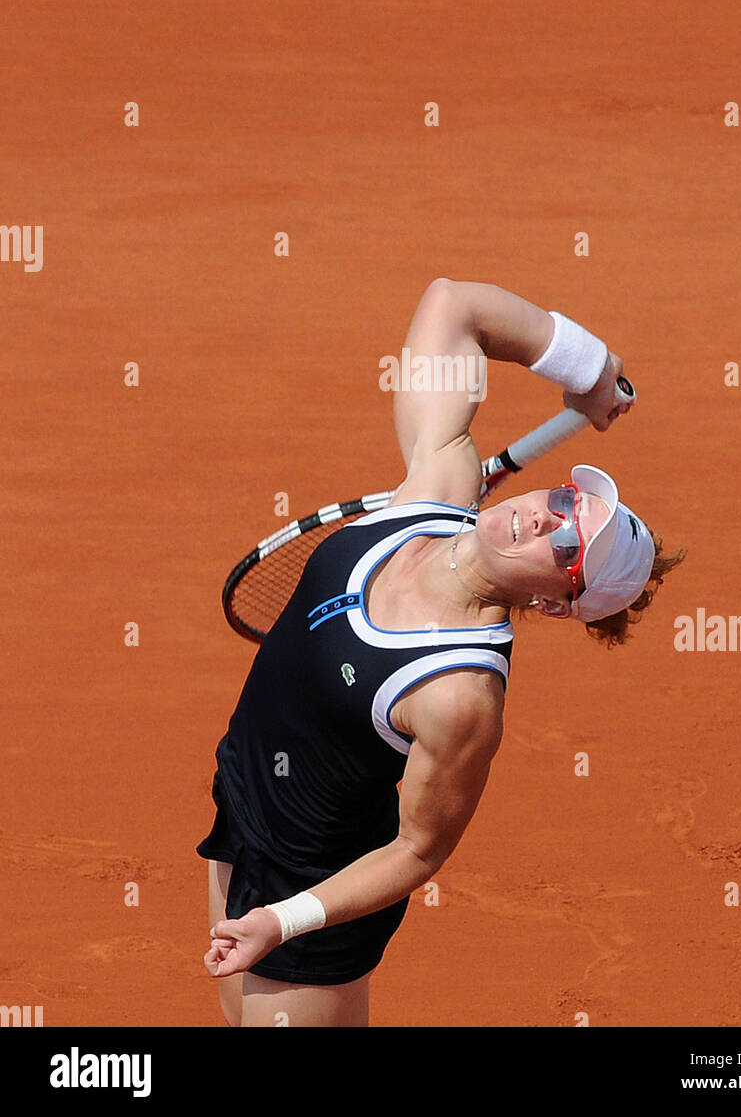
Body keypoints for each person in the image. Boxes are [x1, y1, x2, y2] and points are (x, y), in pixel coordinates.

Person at [199, 278, 685, 1026]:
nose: (539, 518)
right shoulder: (437, 484)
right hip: (246, 790)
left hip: (313, 879)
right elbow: (453, 304)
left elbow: (418, 852)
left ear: (555, 603)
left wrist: (285, 919)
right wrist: (589, 371)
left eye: (566, 543)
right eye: (562, 501)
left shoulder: (459, 696)